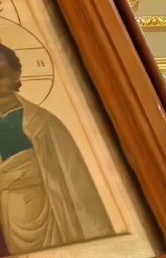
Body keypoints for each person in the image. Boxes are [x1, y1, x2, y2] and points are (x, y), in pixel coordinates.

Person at [0, 44, 113, 252]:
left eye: (0, 75)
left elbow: (74, 182)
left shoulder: (43, 124)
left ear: (16, 76)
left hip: (46, 211)